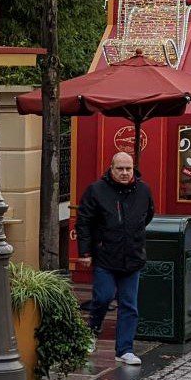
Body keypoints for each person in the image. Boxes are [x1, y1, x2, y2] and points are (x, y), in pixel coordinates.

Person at [77, 150, 154, 366]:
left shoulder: (143, 190)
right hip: (105, 256)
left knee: (129, 305)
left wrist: (133, 236)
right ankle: (93, 329)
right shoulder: (96, 190)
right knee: (103, 296)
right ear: (111, 168)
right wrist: (85, 252)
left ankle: (125, 349)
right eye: (120, 168)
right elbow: (84, 222)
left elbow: (148, 215)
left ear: (133, 169)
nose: (124, 172)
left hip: (133, 256)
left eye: (128, 168)